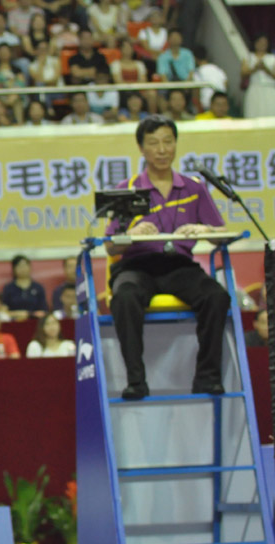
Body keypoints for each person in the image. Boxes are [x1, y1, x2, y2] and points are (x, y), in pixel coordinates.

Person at [106, 115, 230, 399]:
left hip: (179, 267)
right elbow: (111, 247)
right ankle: (136, 381)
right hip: (136, 267)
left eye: (168, 142)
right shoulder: (127, 188)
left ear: (175, 144)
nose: (162, 150)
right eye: (153, 143)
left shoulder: (194, 187)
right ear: (141, 148)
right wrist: (131, 233)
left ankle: (207, 378)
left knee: (216, 296)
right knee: (125, 296)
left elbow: (220, 235)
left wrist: (206, 229)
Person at [241, 33, 275, 118]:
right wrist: (255, 68)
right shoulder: (248, 57)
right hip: (255, 88)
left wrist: (266, 70)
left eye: (264, 43)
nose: (262, 45)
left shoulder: (273, 58)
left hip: (270, 89)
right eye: (259, 42)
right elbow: (243, 74)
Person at [1, 254, 48, 319]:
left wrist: (28, 314)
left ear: (30, 267)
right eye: (19, 266)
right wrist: (17, 314)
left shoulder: (38, 287)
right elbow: (3, 311)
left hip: (35, 321)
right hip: (14, 321)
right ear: (14, 269)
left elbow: (43, 311)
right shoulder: (8, 288)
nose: (23, 269)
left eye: (25, 265)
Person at [193, 45, 228, 112]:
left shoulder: (198, 72)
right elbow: (225, 83)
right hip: (221, 103)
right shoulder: (217, 68)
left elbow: (196, 92)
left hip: (207, 105)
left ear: (195, 58)